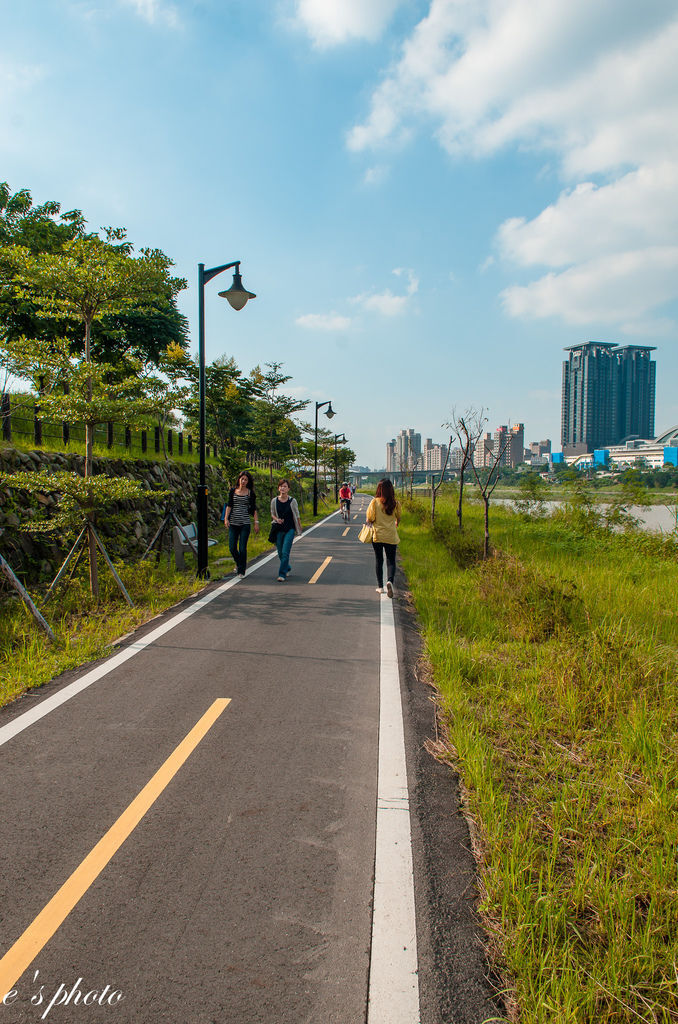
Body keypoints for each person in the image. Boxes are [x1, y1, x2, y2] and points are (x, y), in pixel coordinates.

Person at [365, 478, 401, 597]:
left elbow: (370, 518)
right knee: (391, 561)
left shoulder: (374, 502)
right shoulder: (395, 503)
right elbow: (398, 518)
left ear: (379, 489)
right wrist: (395, 523)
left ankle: (380, 587)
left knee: (379, 560)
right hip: (391, 535)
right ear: (391, 489)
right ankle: (390, 581)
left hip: (378, 535)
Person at [224, 470, 259, 578]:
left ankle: (241, 571)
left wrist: (256, 523)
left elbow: (253, 509)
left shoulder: (250, 493)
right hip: (233, 523)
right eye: (242, 479)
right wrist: (226, 519)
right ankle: (239, 564)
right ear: (239, 479)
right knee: (232, 547)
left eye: (246, 480)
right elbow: (229, 505)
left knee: (242, 548)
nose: (243, 481)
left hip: (245, 523)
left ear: (248, 482)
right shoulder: (233, 491)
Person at [270, 478, 302, 582]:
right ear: (278, 488)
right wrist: (277, 519)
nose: (282, 488)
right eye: (281, 486)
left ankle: (282, 574)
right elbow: (272, 514)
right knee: (280, 552)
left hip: (290, 529)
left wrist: (299, 527)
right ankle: (287, 567)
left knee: (285, 552)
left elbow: (297, 515)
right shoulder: (274, 501)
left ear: (288, 488)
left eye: (285, 486)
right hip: (279, 529)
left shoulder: (292, 501)